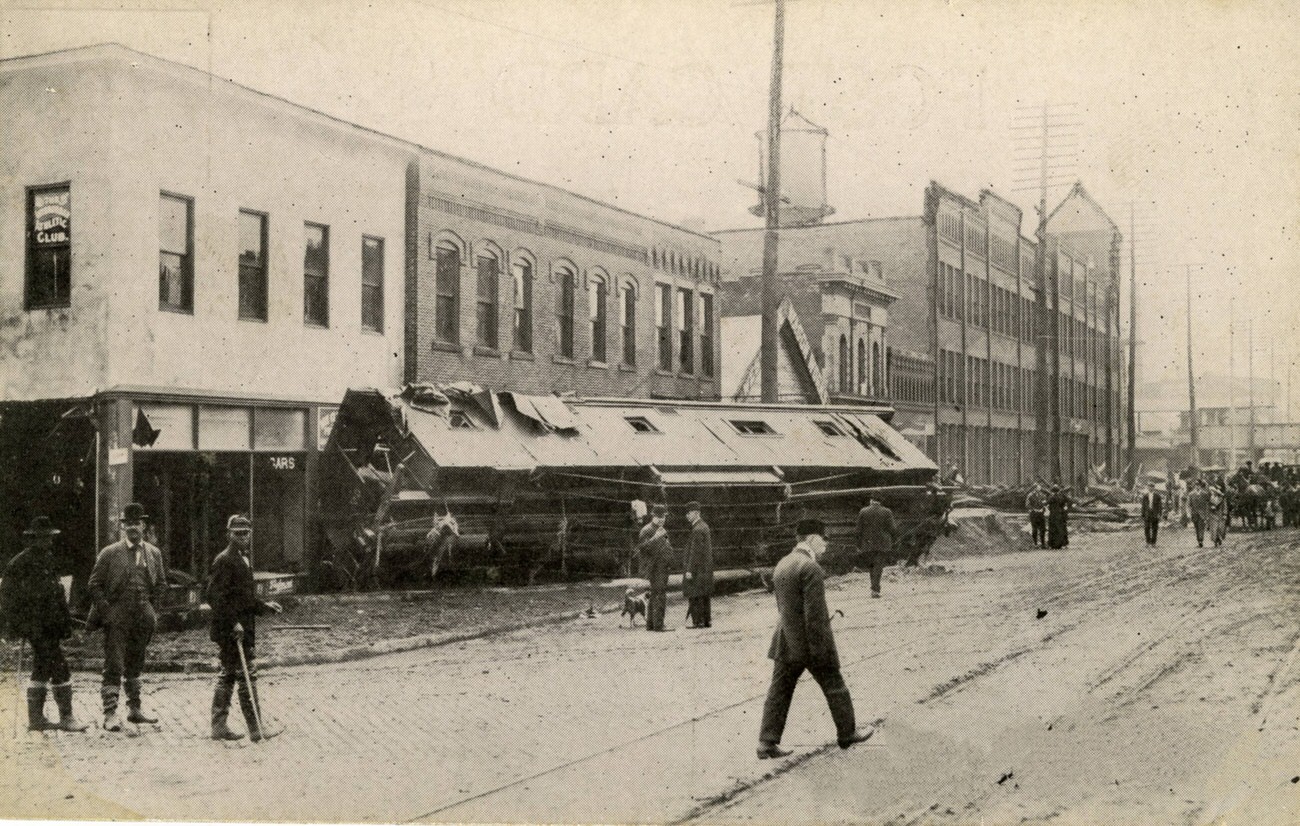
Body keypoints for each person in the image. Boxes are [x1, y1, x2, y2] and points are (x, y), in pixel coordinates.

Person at [756, 517, 873, 759]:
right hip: (810, 644)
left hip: (786, 641)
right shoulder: (810, 568)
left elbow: (785, 608)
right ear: (811, 539)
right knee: (835, 685)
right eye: (823, 538)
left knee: (779, 691)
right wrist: (822, 651)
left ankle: (766, 744)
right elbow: (815, 616)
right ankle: (847, 733)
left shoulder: (783, 564)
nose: (826, 544)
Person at [0, 516, 89, 732]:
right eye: (44, 538)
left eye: (50, 538)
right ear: (33, 540)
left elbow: (57, 593)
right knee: (59, 666)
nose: (49, 542)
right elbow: (6, 596)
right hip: (35, 627)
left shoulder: (48, 559)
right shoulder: (20, 563)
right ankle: (67, 718)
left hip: (52, 625)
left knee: (41, 667)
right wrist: (18, 624)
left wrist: (65, 623)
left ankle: (36, 719)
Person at [87, 502, 167, 732]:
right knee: (114, 663)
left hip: (143, 615)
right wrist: (107, 612)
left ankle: (134, 709)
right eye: (128, 524)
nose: (133, 527)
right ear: (123, 527)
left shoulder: (153, 553)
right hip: (117, 615)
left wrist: (154, 610)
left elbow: (161, 584)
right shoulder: (110, 553)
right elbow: (94, 585)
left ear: (144, 525)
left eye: (137, 523)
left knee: (136, 661)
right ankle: (110, 713)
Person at [207, 514, 283, 741]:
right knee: (246, 675)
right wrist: (233, 623)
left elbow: (243, 598)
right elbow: (214, 597)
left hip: (240, 628)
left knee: (228, 675)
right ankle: (256, 729)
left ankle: (218, 727)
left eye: (245, 533)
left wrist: (264, 606)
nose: (242, 537)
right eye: (237, 533)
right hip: (232, 631)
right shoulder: (224, 560)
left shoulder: (242, 558)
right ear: (228, 534)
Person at [636, 504, 674, 632]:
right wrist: (656, 537)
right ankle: (659, 625)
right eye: (658, 517)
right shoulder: (646, 530)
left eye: (663, 517)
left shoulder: (662, 529)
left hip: (662, 567)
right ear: (653, 516)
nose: (661, 519)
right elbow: (643, 548)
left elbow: (666, 546)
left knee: (654, 595)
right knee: (659, 595)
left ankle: (651, 624)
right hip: (654, 568)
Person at [855, 496, 899, 598]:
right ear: (881, 501)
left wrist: (858, 544)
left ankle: (874, 588)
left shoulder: (863, 511)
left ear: (871, 500)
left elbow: (858, 530)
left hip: (867, 544)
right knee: (878, 567)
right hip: (882, 544)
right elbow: (893, 529)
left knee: (871, 567)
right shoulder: (887, 512)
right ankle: (875, 590)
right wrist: (893, 540)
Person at [681, 502, 713, 629]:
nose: (687, 516)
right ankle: (706, 621)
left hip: (698, 569)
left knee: (695, 594)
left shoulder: (697, 529)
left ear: (696, 513)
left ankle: (697, 621)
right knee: (704, 594)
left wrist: (689, 569)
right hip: (705, 569)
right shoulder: (704, 526)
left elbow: (695, 552)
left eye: (689, 513)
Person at [1187, 479, 1211, 548]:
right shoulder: (1191, 494)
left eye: (1198, 485)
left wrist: (1207, 515)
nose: (1197, 487)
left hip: (1202, 514)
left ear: (1200, 486)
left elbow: (1208, 503)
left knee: (1201, 527)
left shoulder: (1204, 494)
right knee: (1196, 527)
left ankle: (1201, 541)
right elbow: (1189, 504)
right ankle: (1198, 540)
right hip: (1194, 514)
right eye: (1196, 485)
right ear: (1195, 486)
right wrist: (1189, 514)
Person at [1046, 484, 1071, 549]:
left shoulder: (1052, 497)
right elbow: (1068, 501)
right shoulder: (1061, 497)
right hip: (1060, 515)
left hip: (1053, 515)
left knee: (1053, 529)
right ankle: (1061, 544)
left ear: (1053, 491)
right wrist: (1065, 507)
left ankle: (1053, 545)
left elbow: (1047, 503)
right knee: (1060, 529)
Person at [1025, 484, 1048, 548]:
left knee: (1043, 529)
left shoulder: (1042, 495)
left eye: (1040, 488)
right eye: (1038, 487)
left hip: (1041, 514)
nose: (1039, 488)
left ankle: (1043, 544)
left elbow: (1044, 504)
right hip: (1034, 514)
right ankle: (1035, 544)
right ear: (1035, 488)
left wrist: (1042, 509)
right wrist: (1034, 509)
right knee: (1034, 529)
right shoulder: (1030, 495)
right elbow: (1027, 505)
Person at [1141, 482, 1164, 547]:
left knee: (1154, 528)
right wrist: (1143, 514)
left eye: (1152, 487)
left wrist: (1159, 514)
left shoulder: (1157, 496)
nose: (1150, 488)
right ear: (1147, 487)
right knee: (1147, 528)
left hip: (1155, 514)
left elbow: (1160, 506)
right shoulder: (1145, 496)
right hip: (1147, 514)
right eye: (1149, 486)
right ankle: (1148, 542)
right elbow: (1143, 506)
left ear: (1154, 488)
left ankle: (1153, 543)